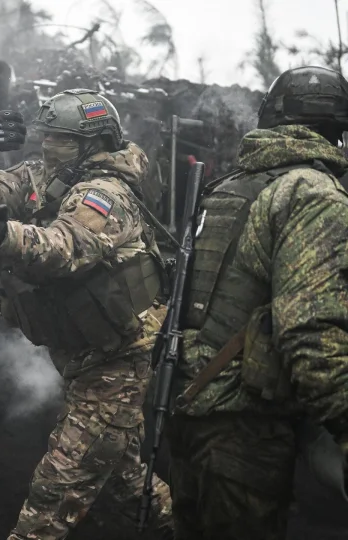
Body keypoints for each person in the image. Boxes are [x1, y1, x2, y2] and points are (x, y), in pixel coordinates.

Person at [0, 89, 172, 540]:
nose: (49, 146)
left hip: (116, 364)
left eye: (62, 139)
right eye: (47, 136)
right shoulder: (47, 175)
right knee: (127, 485)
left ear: (94, 143)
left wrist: (1, 237)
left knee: (52, 497)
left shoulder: (107, 194)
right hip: (82, 358)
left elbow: (67, 247)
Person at [164, 65, 348, 540]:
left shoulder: (228, 188)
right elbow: (312, 330)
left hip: (188, 409)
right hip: (245, 428)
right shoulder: (314, 194)